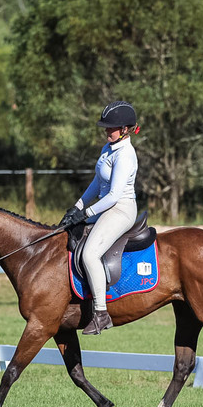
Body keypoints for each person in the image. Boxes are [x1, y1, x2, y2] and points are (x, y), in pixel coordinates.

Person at [59, 101, 139, 335]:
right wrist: (77, 206)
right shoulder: (108, 148)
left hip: (120, 209)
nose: (107, 131)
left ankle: (101, 313)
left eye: (111, 128)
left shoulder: (125, 155)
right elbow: (97, 183)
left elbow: (113, 195)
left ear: (125, 129)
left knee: (90, 253)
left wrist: (86, 213)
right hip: (105, 207)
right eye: (106, 127)